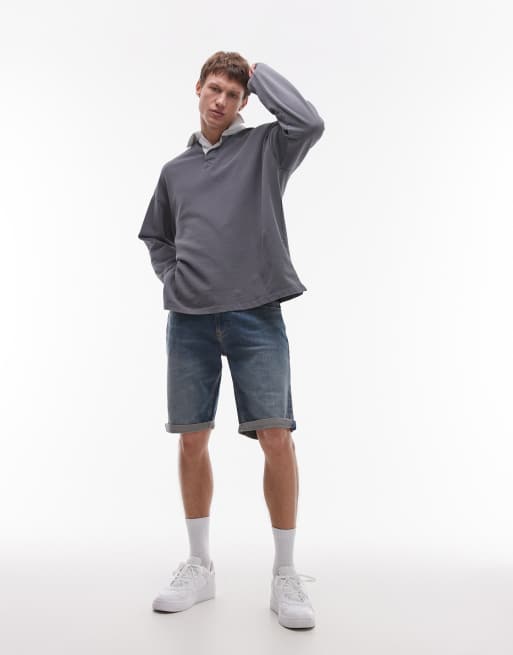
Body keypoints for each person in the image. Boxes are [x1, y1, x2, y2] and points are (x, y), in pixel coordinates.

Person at [138, 51, 324, 630]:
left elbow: (309, 122)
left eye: (233, 94)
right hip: (189, 319)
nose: (221, 101)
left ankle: (285, 574)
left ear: (244, 102)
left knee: (276, 436)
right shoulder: (175, 171)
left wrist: (258, 72)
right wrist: (173, 278)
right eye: (214, 88)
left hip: (256, 313)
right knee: (192, 439)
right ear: (198, 88)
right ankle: (199, 566)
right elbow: (157, 236)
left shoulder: (266, 149)